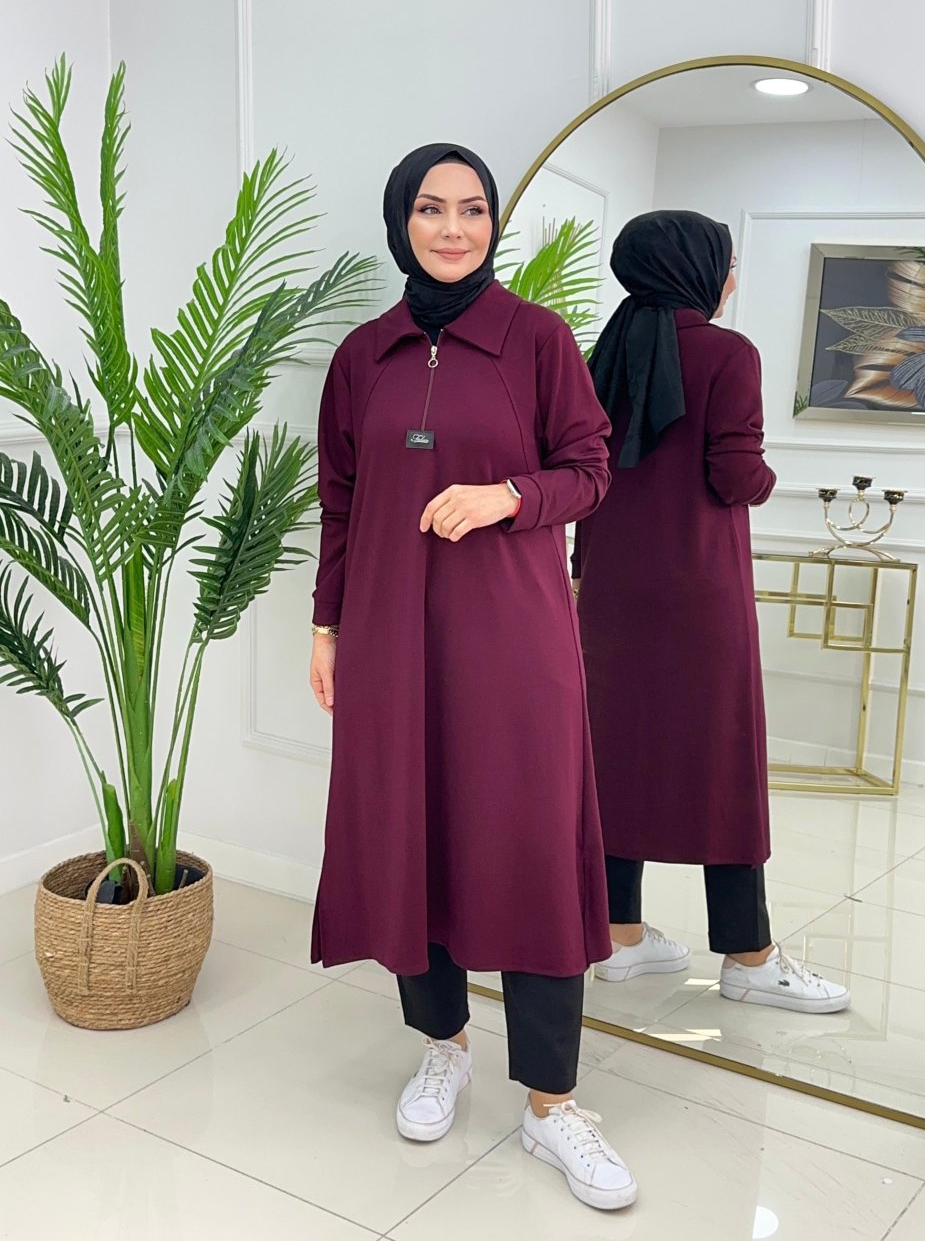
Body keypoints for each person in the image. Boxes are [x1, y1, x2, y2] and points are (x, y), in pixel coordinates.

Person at [308, 143, 637, 1211]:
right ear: (400, 220)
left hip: (514, 642)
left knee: (530, 846)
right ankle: (441, 1043)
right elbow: (342, 502)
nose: (453, 229)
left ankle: (551, 1102)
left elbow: (590, 470)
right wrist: (326, 625)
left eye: (473, 210)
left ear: (494, 224)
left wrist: (507, 498)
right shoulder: (364, 355)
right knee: (413, 833)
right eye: (431, 209)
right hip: (388, 637)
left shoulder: (536, 339)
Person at [573, 210, 850, 1015]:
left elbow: (587, 474)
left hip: (608, 593)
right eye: (727, 263)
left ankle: (620, 937)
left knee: (615, 754)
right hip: (698, 596)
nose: (732, 279)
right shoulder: (730, 354)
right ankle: (749, 955)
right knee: (724, 763)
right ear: (696, 270)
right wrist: (768, 477)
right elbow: (735, 476)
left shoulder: (604, 353)